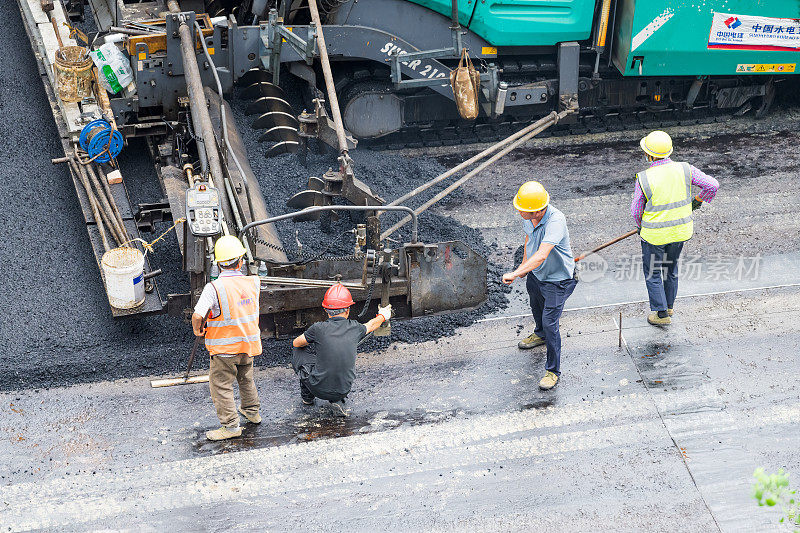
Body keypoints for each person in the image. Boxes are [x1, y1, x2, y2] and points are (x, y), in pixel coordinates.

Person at [632, 131, 719, 326]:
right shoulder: (685, 169)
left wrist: (640, 226)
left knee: (653, 272)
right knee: (670, 269)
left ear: (649, 155)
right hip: (680, 232)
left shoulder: (644, 178)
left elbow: (636, 210)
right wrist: (696, 202)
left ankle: (661, 315)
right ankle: (669, 306)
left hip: (654, 236)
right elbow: (712, 185)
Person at [502, 181, 577, 391]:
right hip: (536, 274)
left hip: (557, 280)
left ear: (536, 211)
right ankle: (539, 334)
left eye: (522, 209)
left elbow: (543, 254)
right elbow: (529, 242)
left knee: (550, 322)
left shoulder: (556, 221)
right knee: (535, 305)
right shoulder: (530, 219)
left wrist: (516, 273)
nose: (518, 210)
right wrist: (524, 269)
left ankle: (553, 371)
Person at [192, 235, 262, 441]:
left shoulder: (213, 288)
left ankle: (231, 427)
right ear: (241, 261)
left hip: (224, 349)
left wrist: (198, 329)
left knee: (221, 385)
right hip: (248, 344)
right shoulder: (253, 282)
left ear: (218, 265)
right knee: (245, 378)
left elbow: (198, 315)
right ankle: (252, 412)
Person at [291, 283, 391, 416]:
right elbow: (372, 324)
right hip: (344, 389)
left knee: (298, 351)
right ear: (348, 310)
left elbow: (296, 343)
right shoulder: (355, 328)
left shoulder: (318, 328)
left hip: (317, 388)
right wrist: (383, 315)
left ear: (326, 310)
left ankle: (307, 398)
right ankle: (337, 400)